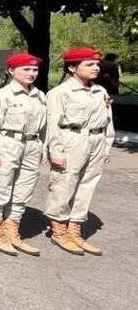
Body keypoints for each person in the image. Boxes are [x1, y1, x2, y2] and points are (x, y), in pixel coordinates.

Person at [44, 47, 116, 256]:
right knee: (64, 184)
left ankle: (75, 228)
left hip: (96, 140)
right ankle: (58, 229)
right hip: (72, 139)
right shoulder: (60, 93)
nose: (96, 68)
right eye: (89, 64)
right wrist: (55, 151)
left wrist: (106, 146)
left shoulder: (100, 91)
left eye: (97, 64)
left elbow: (107, 121)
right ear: (72, 67)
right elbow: (53, 125)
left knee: (87, 185)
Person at [0, 53, 47, 256]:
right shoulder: (2, 95)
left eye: (34, 70)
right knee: (0, 188)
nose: (31, 73)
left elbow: (44, 127)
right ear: (12, 71)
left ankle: (12, 229)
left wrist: (42, 148)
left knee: (23, 190)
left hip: (32, 144)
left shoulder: (40, 95)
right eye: (26, 69)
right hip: (8, 143)